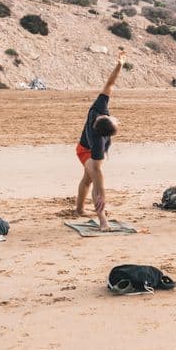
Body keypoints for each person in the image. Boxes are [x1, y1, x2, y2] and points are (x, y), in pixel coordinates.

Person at [75, 51, 127, 231]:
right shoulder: (97, 142)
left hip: (86, 147)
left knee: (87, 179)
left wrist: (119, 65)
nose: (118, 120)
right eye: (116, 122)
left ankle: (79, 209)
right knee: (95, 180)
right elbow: (98, 171)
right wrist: (103, 194)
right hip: (84, 150)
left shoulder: (99, 106)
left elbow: (110, 83)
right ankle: (103, 221)